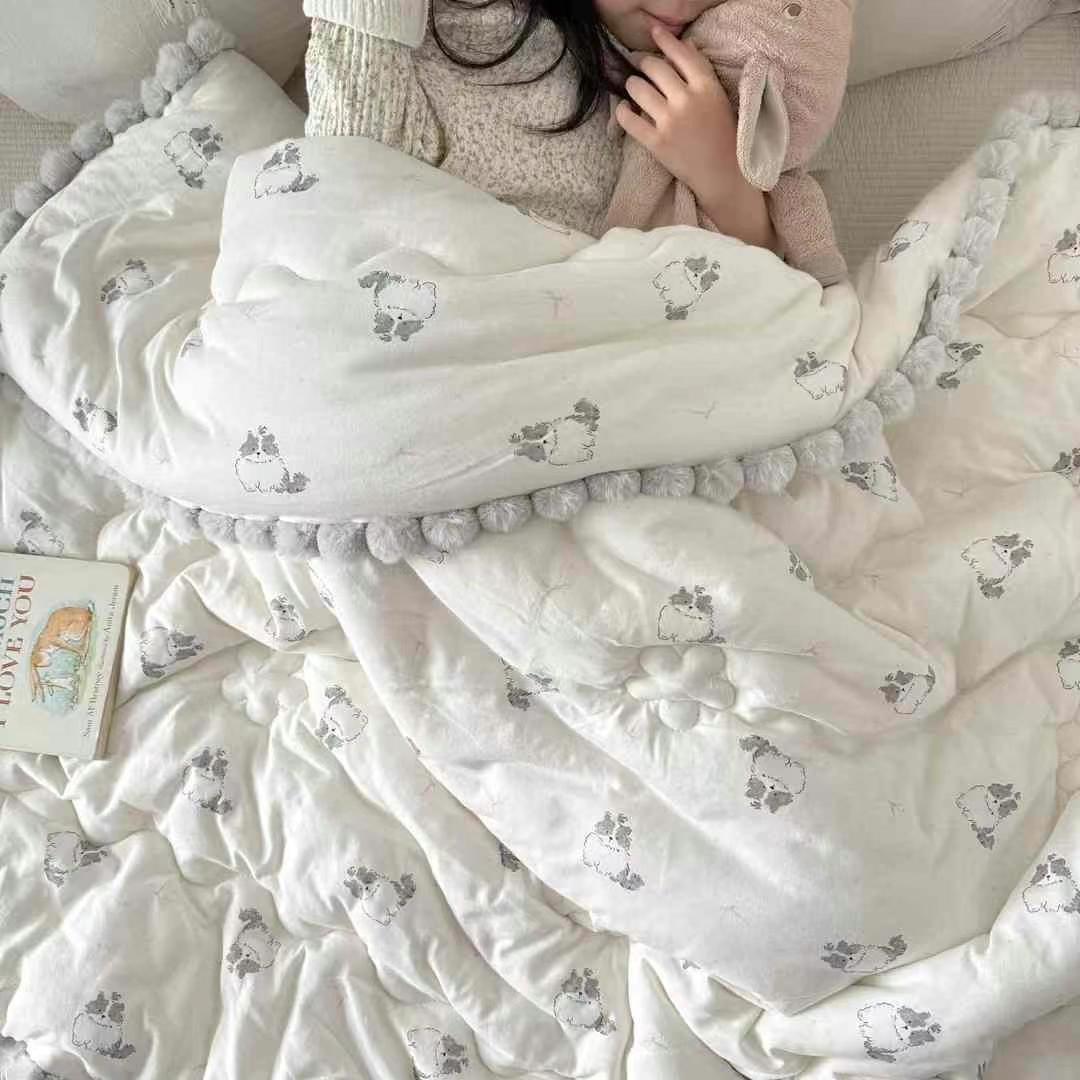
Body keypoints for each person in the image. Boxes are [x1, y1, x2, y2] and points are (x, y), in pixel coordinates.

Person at [303, 1, 775, 249]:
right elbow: (341, 186)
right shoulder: (457, 26)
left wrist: (725, 178)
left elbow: (768, 291)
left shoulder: (730, 57)